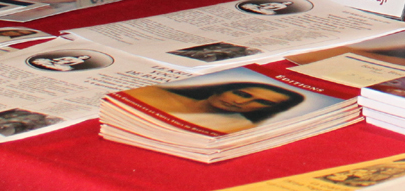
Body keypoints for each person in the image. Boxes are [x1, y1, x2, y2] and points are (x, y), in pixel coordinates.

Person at [128, 81, 305, 134]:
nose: (241, 103)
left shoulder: (239, 129)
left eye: (262, 102)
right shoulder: (151, 92)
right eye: (242, 94)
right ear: (223, 89)